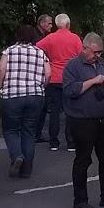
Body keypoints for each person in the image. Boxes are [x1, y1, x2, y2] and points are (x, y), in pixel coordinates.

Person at [63, 32, 104, 208]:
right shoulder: (73, 66)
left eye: (100, 52)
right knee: (83, 159)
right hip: (83, 120)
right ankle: (80, 200)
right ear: (85, 48)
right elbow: (70, 91)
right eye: (95, 52)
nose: (98, 55)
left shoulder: (102, 63)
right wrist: (93, 81)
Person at [0, 24, 51, 179]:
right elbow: (48, 74)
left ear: (17, 36)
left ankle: (17, 156)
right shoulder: (41, 53)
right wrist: (42, 87)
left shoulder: (9, 51)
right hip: (35, 96)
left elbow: (1, 70)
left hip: (12, 96)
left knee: (11, 130)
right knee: (29, 131)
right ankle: (26, 170)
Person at [36, 13, 83, 152]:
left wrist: (48, 60)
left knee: (54, 111)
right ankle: (70, 142)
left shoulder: (50, 38)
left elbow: (36, 48)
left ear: (57, 24)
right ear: (68, 24)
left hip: (54, 77)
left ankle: (53, 142)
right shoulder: (75, 38)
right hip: (70, 78)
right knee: (70, 111)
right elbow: (81, 56)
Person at [33, 14, 55, 142]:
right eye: (49, 23)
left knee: (44, 105)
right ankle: (35, 133)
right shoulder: (37, 38)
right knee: (41, 105)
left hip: (42, 72)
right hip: (39, 73)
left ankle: (37, 133)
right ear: (42, 23)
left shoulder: (45, 37)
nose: (51, 26)